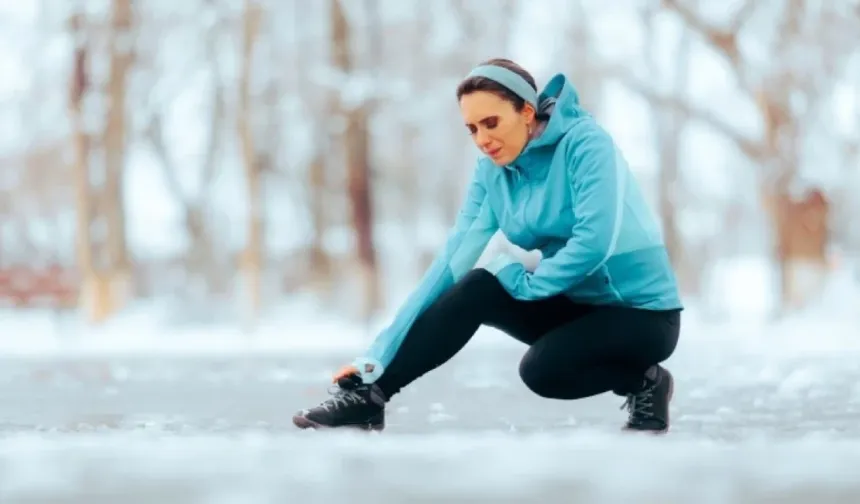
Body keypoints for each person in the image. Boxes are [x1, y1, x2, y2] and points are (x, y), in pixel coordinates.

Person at [292, 58, 683, 434]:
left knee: (543, 371)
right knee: (479, 284)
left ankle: (646, 380)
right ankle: (370, 398)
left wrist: (530, 285)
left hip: (643, 315)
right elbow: (452, 261)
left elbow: (595, 242)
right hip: (577, 307)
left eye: (491, 122)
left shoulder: (586, 145)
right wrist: (375, 359)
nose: (482, 139)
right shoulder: (493, 173)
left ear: (527, 112)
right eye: (472, 129)